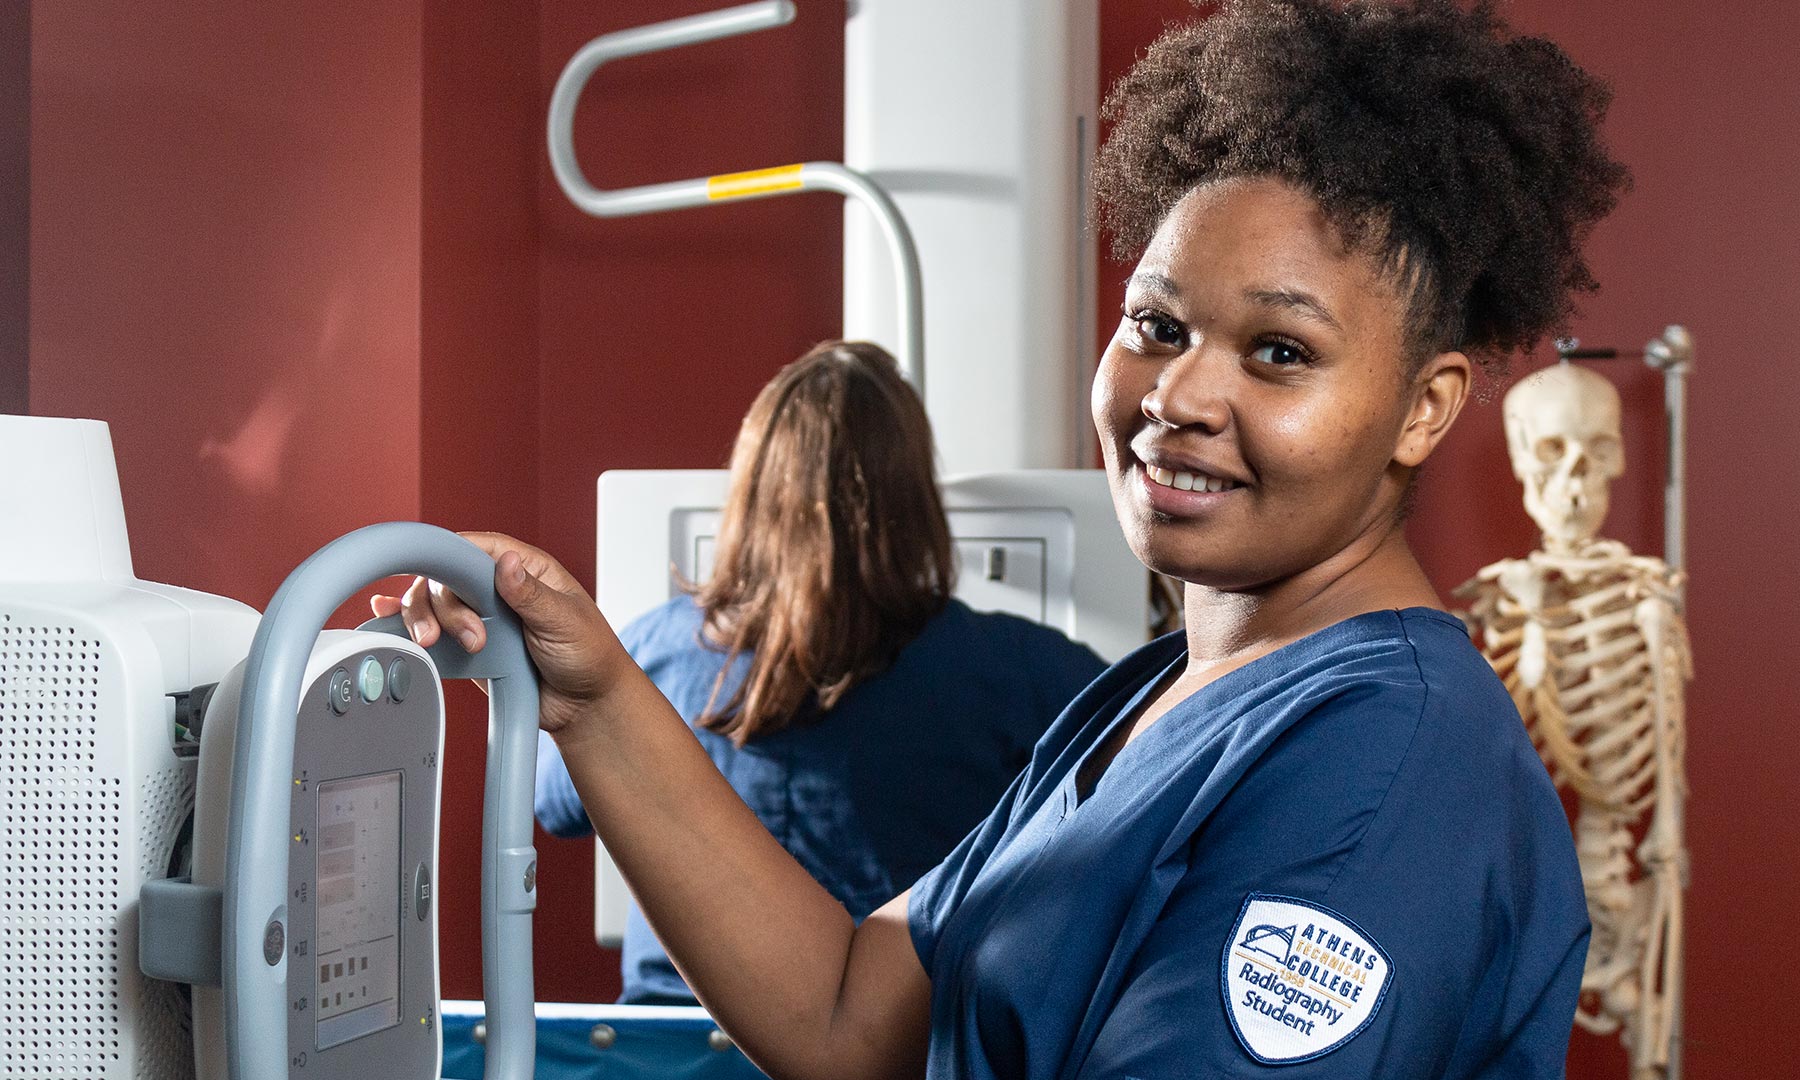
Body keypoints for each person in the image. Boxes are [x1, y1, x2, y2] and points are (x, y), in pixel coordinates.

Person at [379, 2, 1629, 1076]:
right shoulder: (1142, 702)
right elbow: (847, 1014)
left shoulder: (1382, 764)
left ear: (1424, 408)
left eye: (1280, 352)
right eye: (1155, 323)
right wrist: (595, 693)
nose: (1180, 396)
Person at [531, 339, 1108, 1004]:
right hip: (899, 1047)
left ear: (749, 492)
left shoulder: (647, 656)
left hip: (675, 1048)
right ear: (913, 501)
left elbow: (555, 805)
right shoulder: (1019, 670)